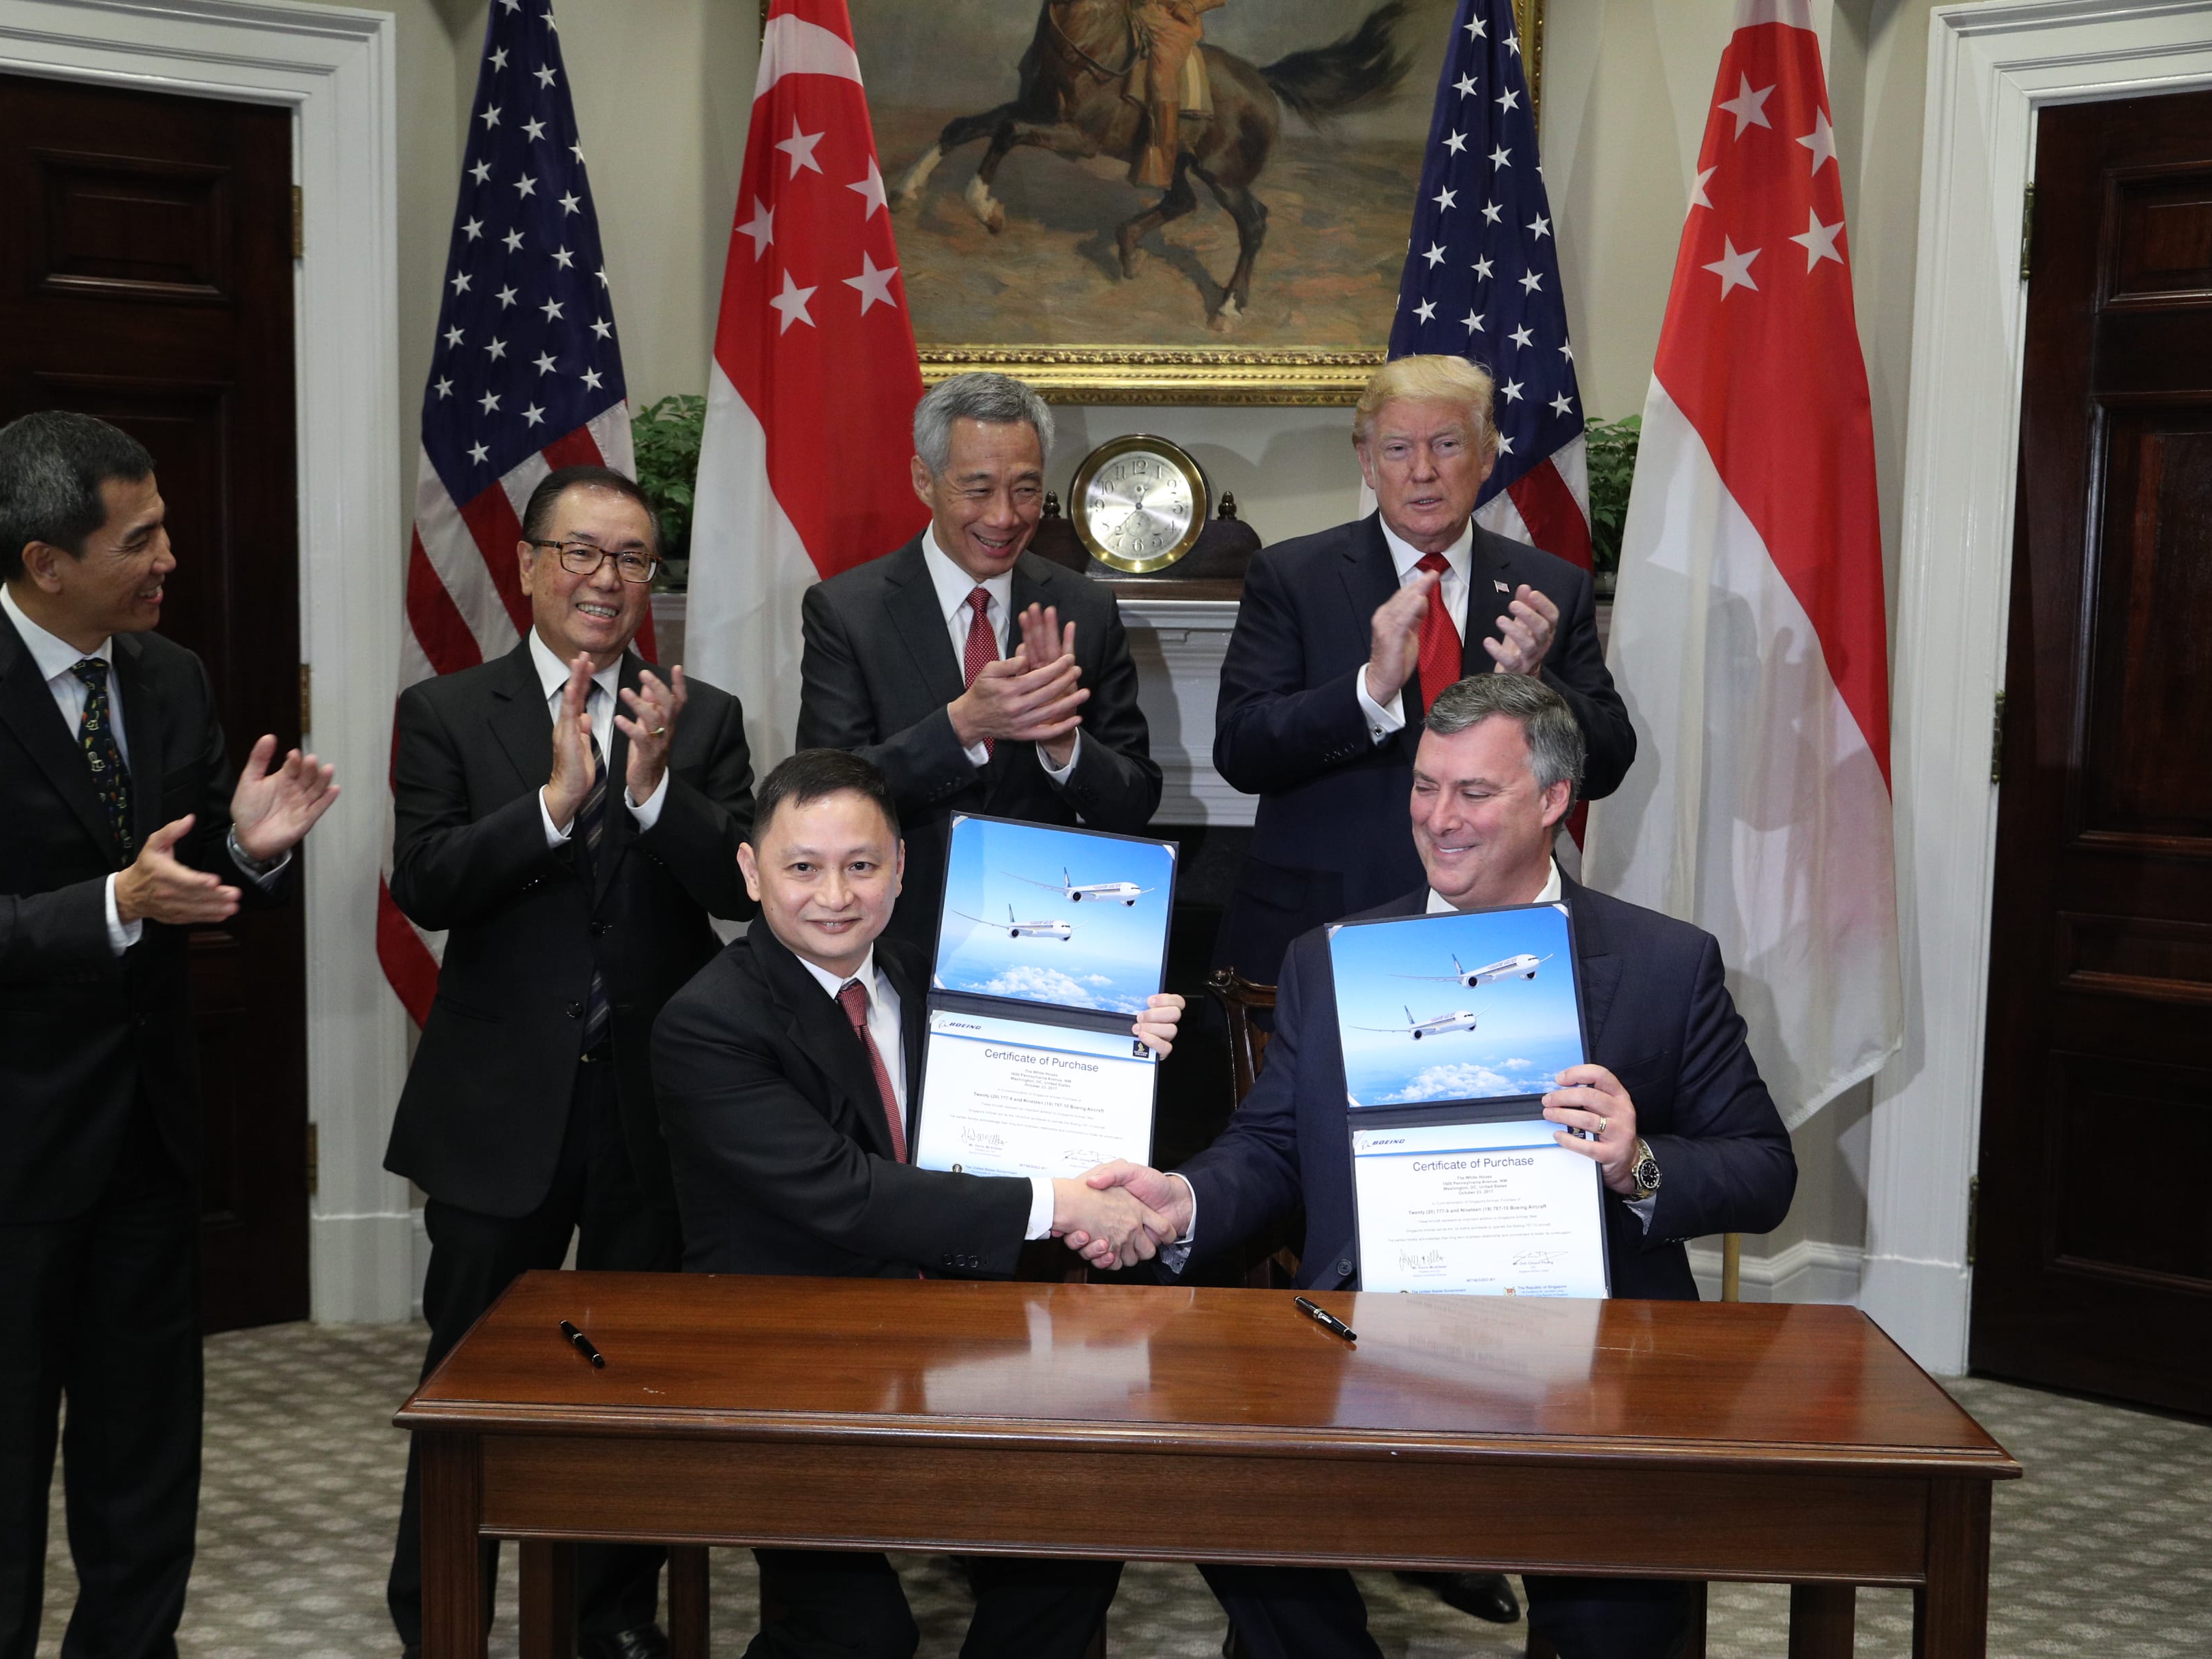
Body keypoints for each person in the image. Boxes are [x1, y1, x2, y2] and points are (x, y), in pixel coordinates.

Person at [1071, 673, 1796, 1659]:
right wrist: (1185, 1197)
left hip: (1592, 1362)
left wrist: (1640, 1165)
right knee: (1224, 1497)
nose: (1438, 819)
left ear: (1552, 802)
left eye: (1473, 793)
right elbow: (1276, 1146)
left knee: (1617, 1621)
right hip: (1366, 1344)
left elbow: (1763, 1171)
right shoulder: (1334, 957)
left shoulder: (1666, 964)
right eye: (1424, 787)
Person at [0, 411, 338, 1659]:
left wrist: (253, 853)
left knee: (146, 1463)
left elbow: (190, 875)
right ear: (44, 562)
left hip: (143, 1150)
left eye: (163, 523)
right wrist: (116, 900)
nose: (171, 556)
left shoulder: (169, 676)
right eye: (143, 537)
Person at [651, 748, 1181, 1659]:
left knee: (1081, 1540)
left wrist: (1115, 1048)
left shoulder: (937, 980)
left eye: (861, 866)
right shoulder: (706, 1023)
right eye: (802, 868)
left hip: (963, 1332)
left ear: (900, 866)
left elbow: (1016, 1120)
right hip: (790, 1366)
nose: (834, 896)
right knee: (860, 1638)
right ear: (750, 872)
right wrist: (1059, 1204)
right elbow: (846, 1196)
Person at [382, 465, 756, 1659]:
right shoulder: (447, 711)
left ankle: (608, 1618)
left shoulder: (700, 714)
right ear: (530, 564)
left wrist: (652, 794)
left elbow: (742, 892)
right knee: (467, 1383)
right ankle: (440, 1612)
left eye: (633, 559)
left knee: (632, 1382)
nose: (607, 580)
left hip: (651, 1107)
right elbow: (428, 882)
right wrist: (551, 804)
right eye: (583, 554)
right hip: (499, 1111)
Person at [1211, 354, 1634, 991]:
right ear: (1367, 462)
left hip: (1494, 935)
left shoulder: (1548, 586)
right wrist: (1370, 691)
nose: (1423, 472)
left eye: (1446, 445)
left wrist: (1541, 685)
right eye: (1399, 448)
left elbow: (1608, 765)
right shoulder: (1292, 577)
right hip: (1325, 928)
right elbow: (1241, 751)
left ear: (1487, 458)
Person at [797, 372, 1160, 960]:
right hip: (895, 937)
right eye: (978, 489)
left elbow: (1137, 798)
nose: (1004, 518)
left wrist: (1064, 746)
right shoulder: (847, 611)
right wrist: (963, 725)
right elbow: (826, 795)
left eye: (1025, 490)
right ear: (924, 480)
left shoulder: (1085, 608)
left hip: (1045, 943)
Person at [1126, 0, 1226, 188]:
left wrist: (1191, 7)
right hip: (1130, 8)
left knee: (1161, 75)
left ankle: (1162, 164)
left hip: (1170, 21)